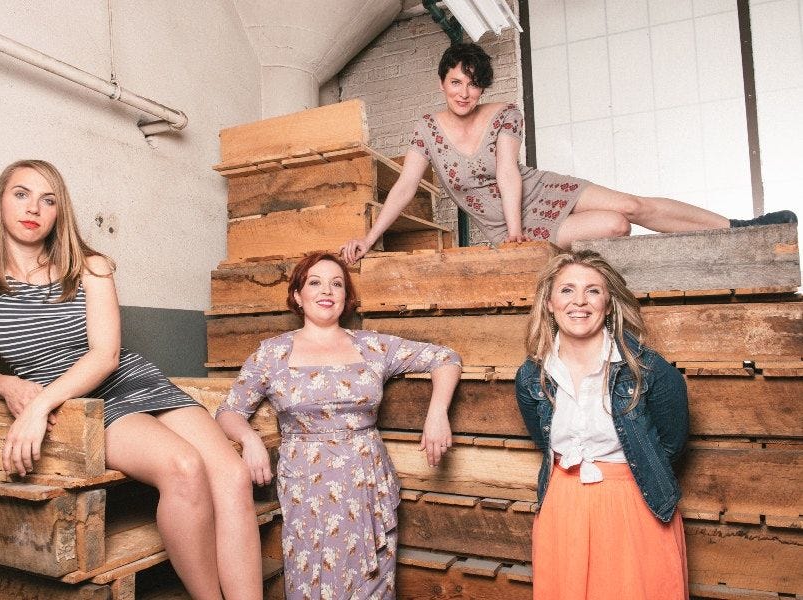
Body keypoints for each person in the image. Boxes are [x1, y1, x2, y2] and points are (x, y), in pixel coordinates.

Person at [0, 159, 262, 600]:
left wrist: (37, 407)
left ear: (60, 211)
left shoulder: (90, 266)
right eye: (21, 194)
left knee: (231, 473)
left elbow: (106, 356)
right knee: (184, 467)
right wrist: (8, 385)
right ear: (0, 201)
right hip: (81, 405)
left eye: (48, 200)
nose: (33, 208)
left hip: (125, 379)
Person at [340, 43, 796, 262]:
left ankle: (737, 228)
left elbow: (508, 171)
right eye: (456, 82)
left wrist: (517, 230)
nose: (465, 92)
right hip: (505, 225)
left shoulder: (504, 113)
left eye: (474, 84)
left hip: (535, 193)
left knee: (630, 205)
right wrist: (370, 236)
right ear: (442, 82)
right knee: (616, 226)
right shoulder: (426, 128)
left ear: (483, 88)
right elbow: (404, 187)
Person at [215, 252, 462, 600]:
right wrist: (249, 439)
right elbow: (229, 411)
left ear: (346, 296)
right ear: (298, 295)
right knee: (311, 576)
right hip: (305, 483)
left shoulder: (372, 346)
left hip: (366, 479)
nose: (326, 291)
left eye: (337, 284)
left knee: (371, 581)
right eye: (314, 282)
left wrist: (437, 414)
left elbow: (446, 357)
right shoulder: (272, 353)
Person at [515, 250, 689, 599]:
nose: (579, 301)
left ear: (608, 304)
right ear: (549, 303)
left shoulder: (649, 369)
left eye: (592, 290)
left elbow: (671, 445)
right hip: (563, 508)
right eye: (567, 290)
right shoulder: (531, 375)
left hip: (635, 506)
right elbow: (543, 440)